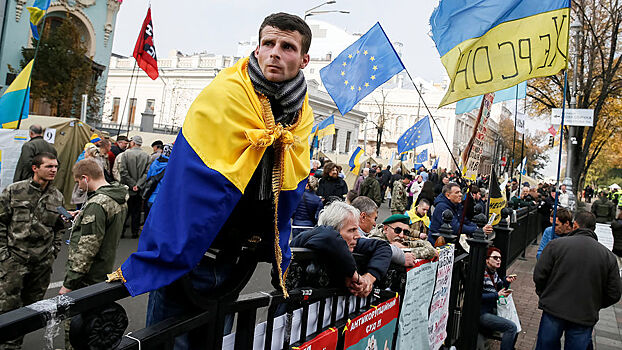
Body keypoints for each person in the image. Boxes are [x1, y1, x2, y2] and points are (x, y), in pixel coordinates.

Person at [114, 13, 315, 349]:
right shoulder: (227, 92)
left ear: (303, 58)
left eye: (287, 46)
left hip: (238, 256)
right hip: (191, 249)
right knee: (165, 340)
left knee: (213, 339)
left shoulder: (301, 113)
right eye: (268, 43)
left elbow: (292, 178)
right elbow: (192, 173)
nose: (275, 52)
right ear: (258, 47)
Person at [59, 159, 128, 349]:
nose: (78, 186)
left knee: (76, 329)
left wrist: (69, 283)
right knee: (94, 330)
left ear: (85, 178)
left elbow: (87, 248)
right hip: (102, 270)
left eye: (78, 182)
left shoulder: (97, 204)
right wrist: (81, 215)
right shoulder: (117, 196)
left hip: (86, 278)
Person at [0, 152, 65, 349]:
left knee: (31, 307)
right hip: (15, 259)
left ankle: (15, 341)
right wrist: (4, 254)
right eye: (49, 166)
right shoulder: (14, 191)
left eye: (55, 166)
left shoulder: (57, 196)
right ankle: (9, 345)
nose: (54, 170)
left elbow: (59, 228)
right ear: (35, 168)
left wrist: (54, 251)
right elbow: (1, 222)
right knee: (7, 308)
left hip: (42, 264)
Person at [534, 212, 622, 349]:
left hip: (554, 308)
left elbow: (539, 275)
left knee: (546, 345)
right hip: (584, 313)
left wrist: (545, 294)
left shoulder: (556, 245)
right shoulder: (608, 256)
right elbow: (614, 292)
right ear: (594, 228)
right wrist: (595, 303)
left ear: (575, 225)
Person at [291, 201, 392, 297]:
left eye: (357, 229)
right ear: (334, 229)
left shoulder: (351, 243)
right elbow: (329, 237)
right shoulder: (309, 238)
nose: (358, 236)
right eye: (352, 230)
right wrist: (353, 275)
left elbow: (383, 247)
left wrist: (368, 278)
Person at [479, 247, 518, 350]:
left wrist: (507, 281)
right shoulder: (482, 273)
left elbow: (501, 287)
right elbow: (477, 296)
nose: (498, 260)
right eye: (495, 258)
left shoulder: (493, 272)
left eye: (500, 258)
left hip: (491, 310)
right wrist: (497, 295)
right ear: (487, 259)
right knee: (511, 327)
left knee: (515, 323)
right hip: (481, 313)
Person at [369, 214, 437, 265]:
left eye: (405, 232)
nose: (401, 235)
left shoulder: (399, 238)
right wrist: (405, 248)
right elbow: (430, 251)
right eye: (397, 230)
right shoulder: (375, 240)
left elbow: (423, 242)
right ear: (386, 229)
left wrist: (405, 246)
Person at [119, 135, 150, 238]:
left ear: (133, 143)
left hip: (128, 188)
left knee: (125, 212)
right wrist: (138, 185)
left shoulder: (125, 155)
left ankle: (122, 232)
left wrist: (132, 184)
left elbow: (123, 172)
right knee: (137, 212)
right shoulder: (146, 156)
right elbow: (147, 173)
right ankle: (135, 232)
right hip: (140, 189)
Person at [142, 144, 173, 220]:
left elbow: (148, 176)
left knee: (147, 222)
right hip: (161, 200)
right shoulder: (172, 166)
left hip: (150, 197)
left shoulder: (156, 161)